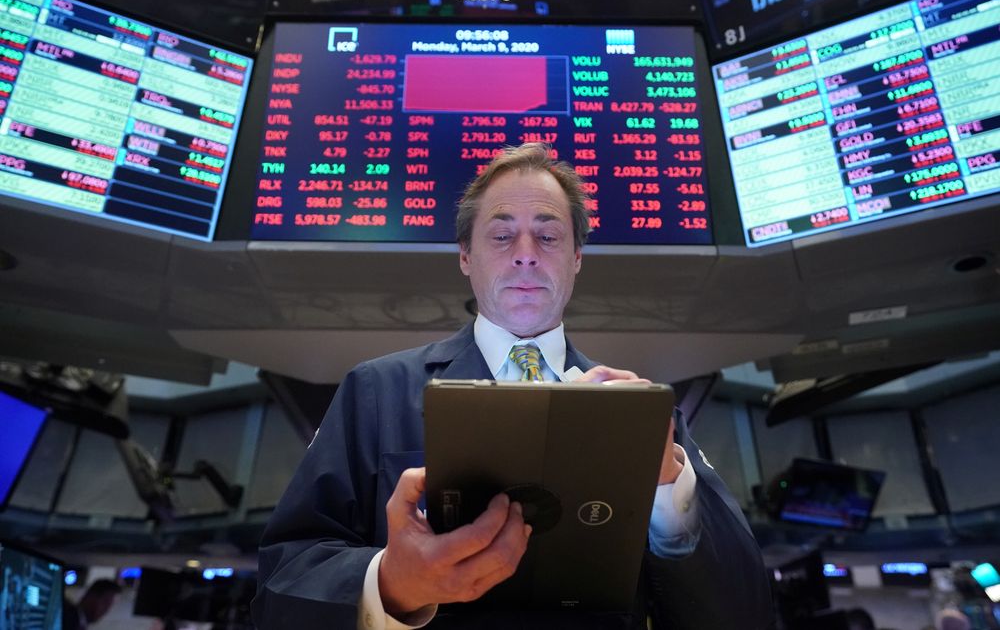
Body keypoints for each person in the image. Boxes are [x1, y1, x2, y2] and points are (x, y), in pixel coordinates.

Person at [252, 143, 775, 630]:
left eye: (549, 236)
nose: (526, 254)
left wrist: (666, 488)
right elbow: (279, 586)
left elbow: (748, 610)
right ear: (465, 256)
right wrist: (390, 583)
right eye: (501, 235)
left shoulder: (645, 417)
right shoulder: (374, 391)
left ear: (575, 260)